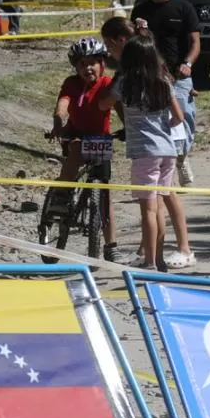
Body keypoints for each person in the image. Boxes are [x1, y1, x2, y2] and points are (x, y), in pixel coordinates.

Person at [101, 16, 196, 267]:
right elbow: (179, 116)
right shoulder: (163, 81)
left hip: (144, 153)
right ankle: (160, 259)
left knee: (148, 211)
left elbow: (104, 104)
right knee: (160, 205)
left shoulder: (124, 82)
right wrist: (163, 127)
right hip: (167, 151)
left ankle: (151, 262)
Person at [48, 38, 123, 262]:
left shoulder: (107, 84)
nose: (87, 68)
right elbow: (62, 105)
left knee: (105, 195)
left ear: (102, 64)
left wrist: (127, 128)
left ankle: (111, 245)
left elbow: (118, 107)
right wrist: (58, 123)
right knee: (76, 152)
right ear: (75, 67)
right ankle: (62, 194)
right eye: (82, 64)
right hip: (77, 135)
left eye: (93, 63)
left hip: (100, 140)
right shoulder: (71, 84)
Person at [132, 0, 200, 197]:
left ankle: (181, 157)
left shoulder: (183, 8)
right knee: (158, 125)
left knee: (184, 120)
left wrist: (187, 64)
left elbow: (195, 42)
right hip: (151, 78)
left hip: (178, 77)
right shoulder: (140, 11)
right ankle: (164, 174)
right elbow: (135, 44)